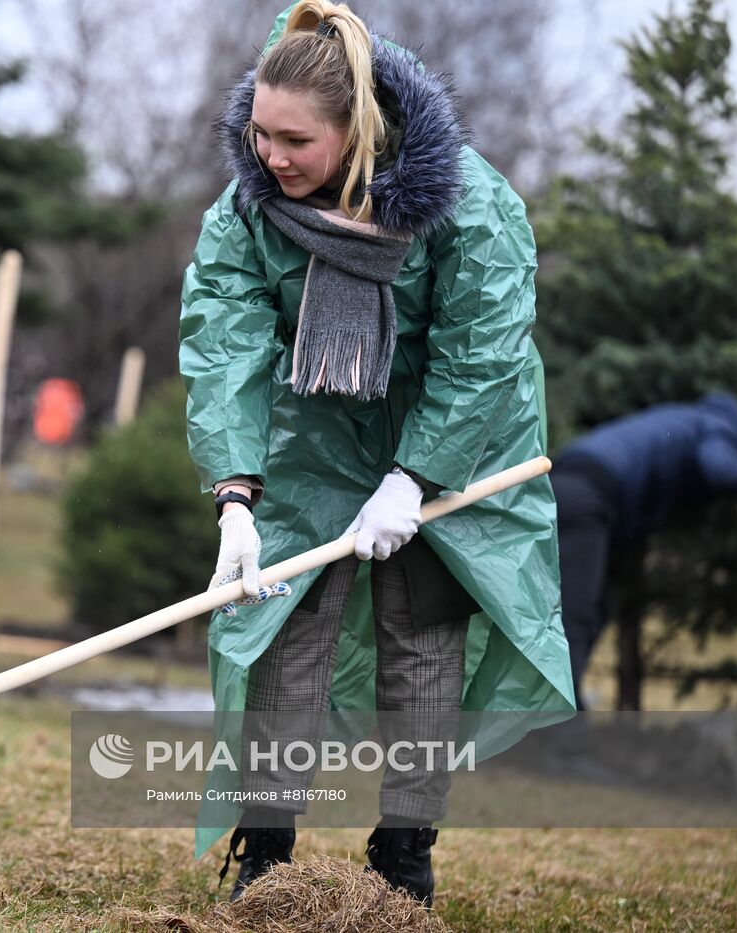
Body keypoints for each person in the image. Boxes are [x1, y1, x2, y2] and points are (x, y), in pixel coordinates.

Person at [179, 1, 572, 907]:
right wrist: (236, 494)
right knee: (280, 617)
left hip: (461, 434)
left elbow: (486, 352)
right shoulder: (248, 209)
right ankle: (266, 848)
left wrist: (416, 477)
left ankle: (404, 855)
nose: (270, 155)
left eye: (295, 140)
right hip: (318, 421)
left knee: (423, 630)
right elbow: (225, 342)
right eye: (257, 131)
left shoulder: (469, 202)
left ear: (357, 133)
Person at [552, 392, 737, 708]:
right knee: (576, 618)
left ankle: (556, 727)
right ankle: (560, 742)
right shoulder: (721, 429)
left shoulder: (692, 419)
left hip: (569, 485)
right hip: (586, 497)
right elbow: (722, 470)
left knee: (588, 612)